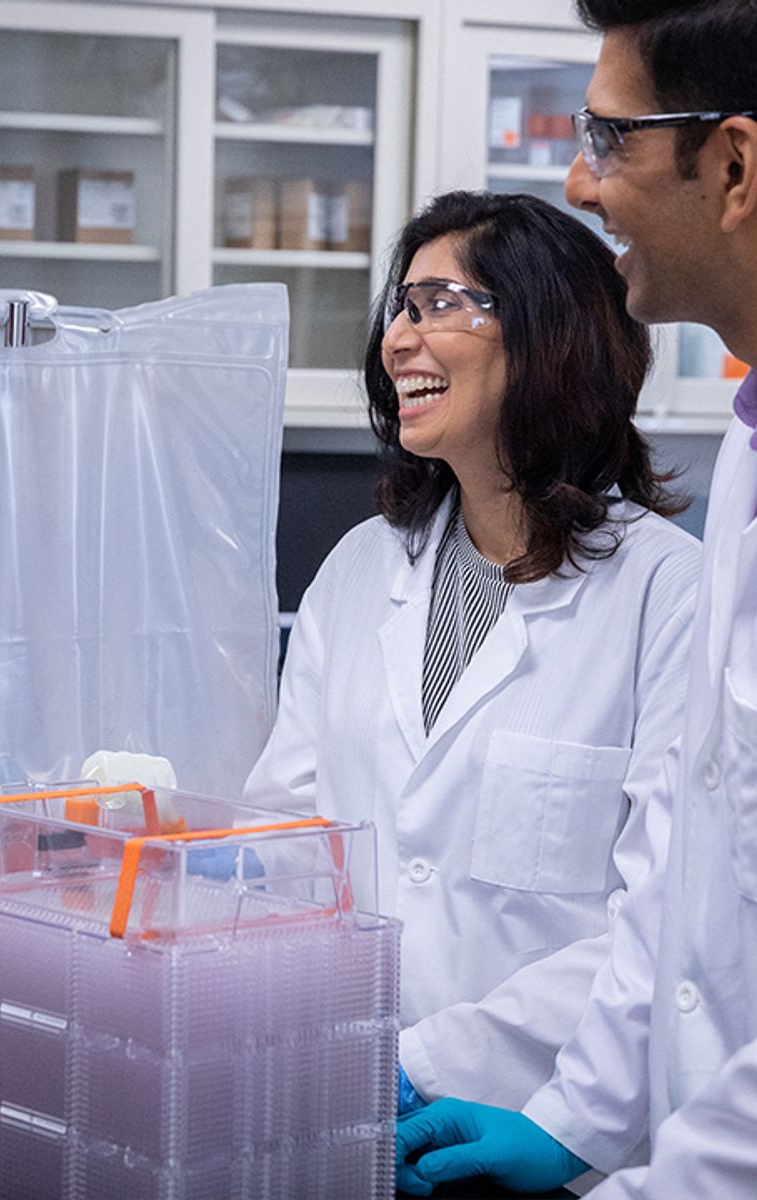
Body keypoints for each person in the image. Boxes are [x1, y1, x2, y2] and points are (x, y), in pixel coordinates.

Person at [395, 3, 757, 1197]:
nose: (580, 183)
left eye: (609, 140)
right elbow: (685, 862)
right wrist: (583, 1124)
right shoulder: (747, 457)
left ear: (736, 166)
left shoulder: (664, 576)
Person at [242, 189, 701, 1119]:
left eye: (440, 304)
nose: (399, 340)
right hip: (344, 1100)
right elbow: (285, 836)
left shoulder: (670, 592)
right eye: (399, 309)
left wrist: (438, 1066)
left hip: (558, 1119)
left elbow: (668, 913)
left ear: (548, 332)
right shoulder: (363, 568)